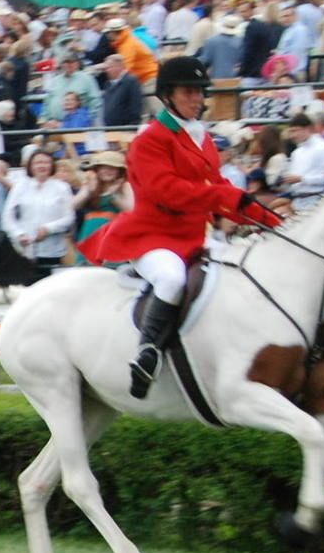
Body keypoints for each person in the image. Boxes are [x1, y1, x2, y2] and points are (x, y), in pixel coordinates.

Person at [78, 56, 283, 398]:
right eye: (189, 92)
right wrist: (225, 196)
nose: (197, 99)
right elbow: (167, 192)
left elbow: (221, 195)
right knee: (172, 279)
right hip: (151, 237)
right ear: (168, 95)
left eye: (200, 93)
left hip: (193, 236)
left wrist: (268, 221)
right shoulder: (150, 139)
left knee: (241, 269)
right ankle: (148, 353)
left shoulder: (201, 138)